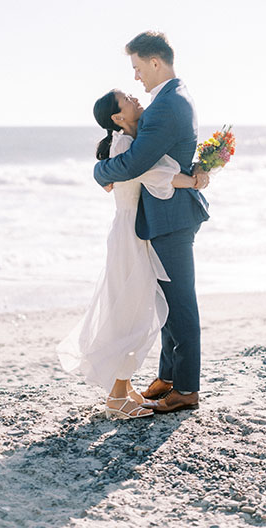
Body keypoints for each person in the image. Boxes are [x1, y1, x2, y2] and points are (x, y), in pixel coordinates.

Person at [58, 89, 206, 418]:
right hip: (131, 235)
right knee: (132, 313)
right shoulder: (126, 145)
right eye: (127, 98)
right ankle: (115, 398)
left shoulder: (128, 142)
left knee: (130, 308)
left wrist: (196, 169)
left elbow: (156, 167)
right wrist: (195, 182)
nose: (135, 98)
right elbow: (157, 175)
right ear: (117, 117)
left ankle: (123, 390)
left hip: (131, 232)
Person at [92, 31, 210, 414]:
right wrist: (193, 174)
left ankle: (186, 388)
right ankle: (170, 377)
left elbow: (137, 163)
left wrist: (98, 171)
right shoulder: (175, 98)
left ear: (155, 62)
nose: (137, 79)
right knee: (165, 303)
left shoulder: (164, 106)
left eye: (138, 68)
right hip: (162, 216)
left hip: (170, 217)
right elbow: (163, 163)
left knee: (179, 305)